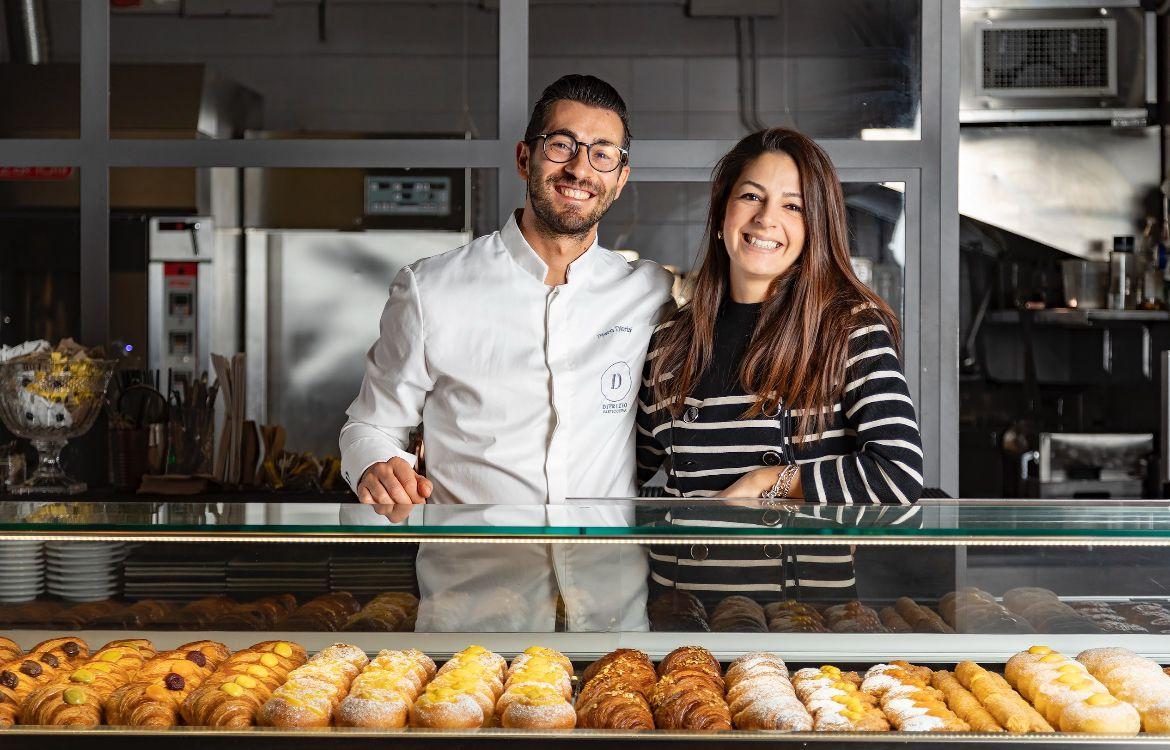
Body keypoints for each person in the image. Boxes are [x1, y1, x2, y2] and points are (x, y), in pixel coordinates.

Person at [340, 75, 675, 632]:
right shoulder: (431, 289)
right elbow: (369, 425)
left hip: (610, 611)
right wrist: (377, 464)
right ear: (525, 157)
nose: (579, 169)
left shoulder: (650, 293)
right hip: (474, 613)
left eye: (602, 154)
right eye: (561, 145)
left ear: (620, 179)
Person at [635, 127, 923, 610]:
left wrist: (770, 482)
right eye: (751, 196)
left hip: (806, 631)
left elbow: (898, 475)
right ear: (722, 212)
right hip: (683, 627)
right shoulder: (670, 342)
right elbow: (629, 480)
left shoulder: (846, 328)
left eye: (793, 206)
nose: (766, 219)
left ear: (817, 225)